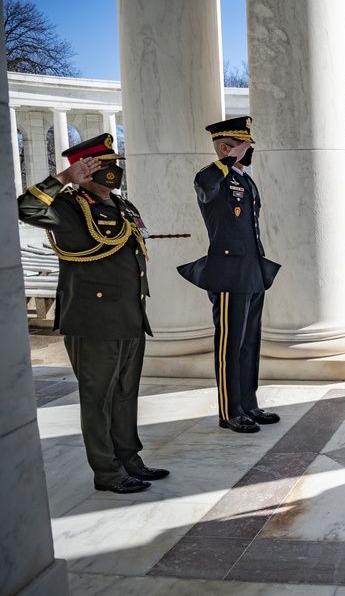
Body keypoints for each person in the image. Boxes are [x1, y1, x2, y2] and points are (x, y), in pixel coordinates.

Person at [17, 133, 168, 493]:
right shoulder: (69, 205)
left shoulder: (123, 206)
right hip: (93, 317)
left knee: (125, 393)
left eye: (114, 164)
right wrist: (65, 178)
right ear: (85, 170)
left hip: (130, 315)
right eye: (102, 165)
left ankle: (129, 459)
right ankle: (108, 472)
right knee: (97, 397)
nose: (113, 171)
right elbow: (25, 208)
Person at [178, 117, 281, 433]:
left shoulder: (245, 181)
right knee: (230, 345)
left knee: (249, 343)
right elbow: (204, 184)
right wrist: (225, 161)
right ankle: (229, 410)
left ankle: (249, 404)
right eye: (244, 144)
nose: (250, 149)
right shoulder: (215, 179)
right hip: (228, 274)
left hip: (251, 270)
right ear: (226, 147)